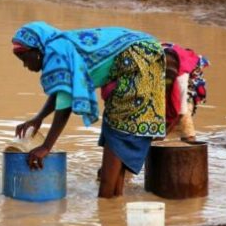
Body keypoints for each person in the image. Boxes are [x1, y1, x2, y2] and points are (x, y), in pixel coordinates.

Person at [12, 21, 166, 198]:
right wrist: (39, 118)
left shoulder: (55, 53)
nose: (25, 65)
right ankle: (113, 208)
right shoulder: (58, 45)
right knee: (117, 130)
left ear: (36, 51)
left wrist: (46, 147)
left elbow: (65, 105)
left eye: (24, 59)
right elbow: (62, 91)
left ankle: (106, 201)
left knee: (118, 128)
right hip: (145, 51)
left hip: (138, 59)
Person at [163, 43, 209, 141]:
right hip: (165, 64)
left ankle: (190, 145)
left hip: (187, 75)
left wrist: (161, 136)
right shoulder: (149, 70)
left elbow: (180, 112)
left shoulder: (181, 78)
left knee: (185, 121)